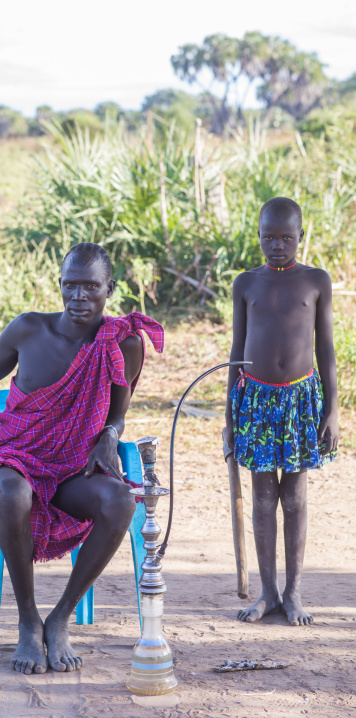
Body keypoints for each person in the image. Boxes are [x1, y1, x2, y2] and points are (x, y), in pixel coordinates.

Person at [0, 242, 164, 674]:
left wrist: (109, 435)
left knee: (120, 500)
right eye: (71, 285)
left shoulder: (122, 343)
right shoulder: (29, 330)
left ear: (110, 288)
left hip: (72, 466)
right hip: (15, 454)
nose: (79, 296)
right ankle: (28, 619)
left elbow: (118, 415)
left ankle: (59, 617)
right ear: (59, 285)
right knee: (12, 491)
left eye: (91, 287)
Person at [226, 197, 338, 627]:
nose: (277, 245)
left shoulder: (316, 281)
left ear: (301, 236)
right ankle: (267, 594)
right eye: (268, 237)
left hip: (301, 400)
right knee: (262, 498)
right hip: (254, 399)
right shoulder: (246, 284)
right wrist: (229, 416)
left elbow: (325, 349)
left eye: (286, 237)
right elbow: (236, 352)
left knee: (294, 497)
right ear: (257, 236)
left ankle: (293, 593)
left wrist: (333, 410)